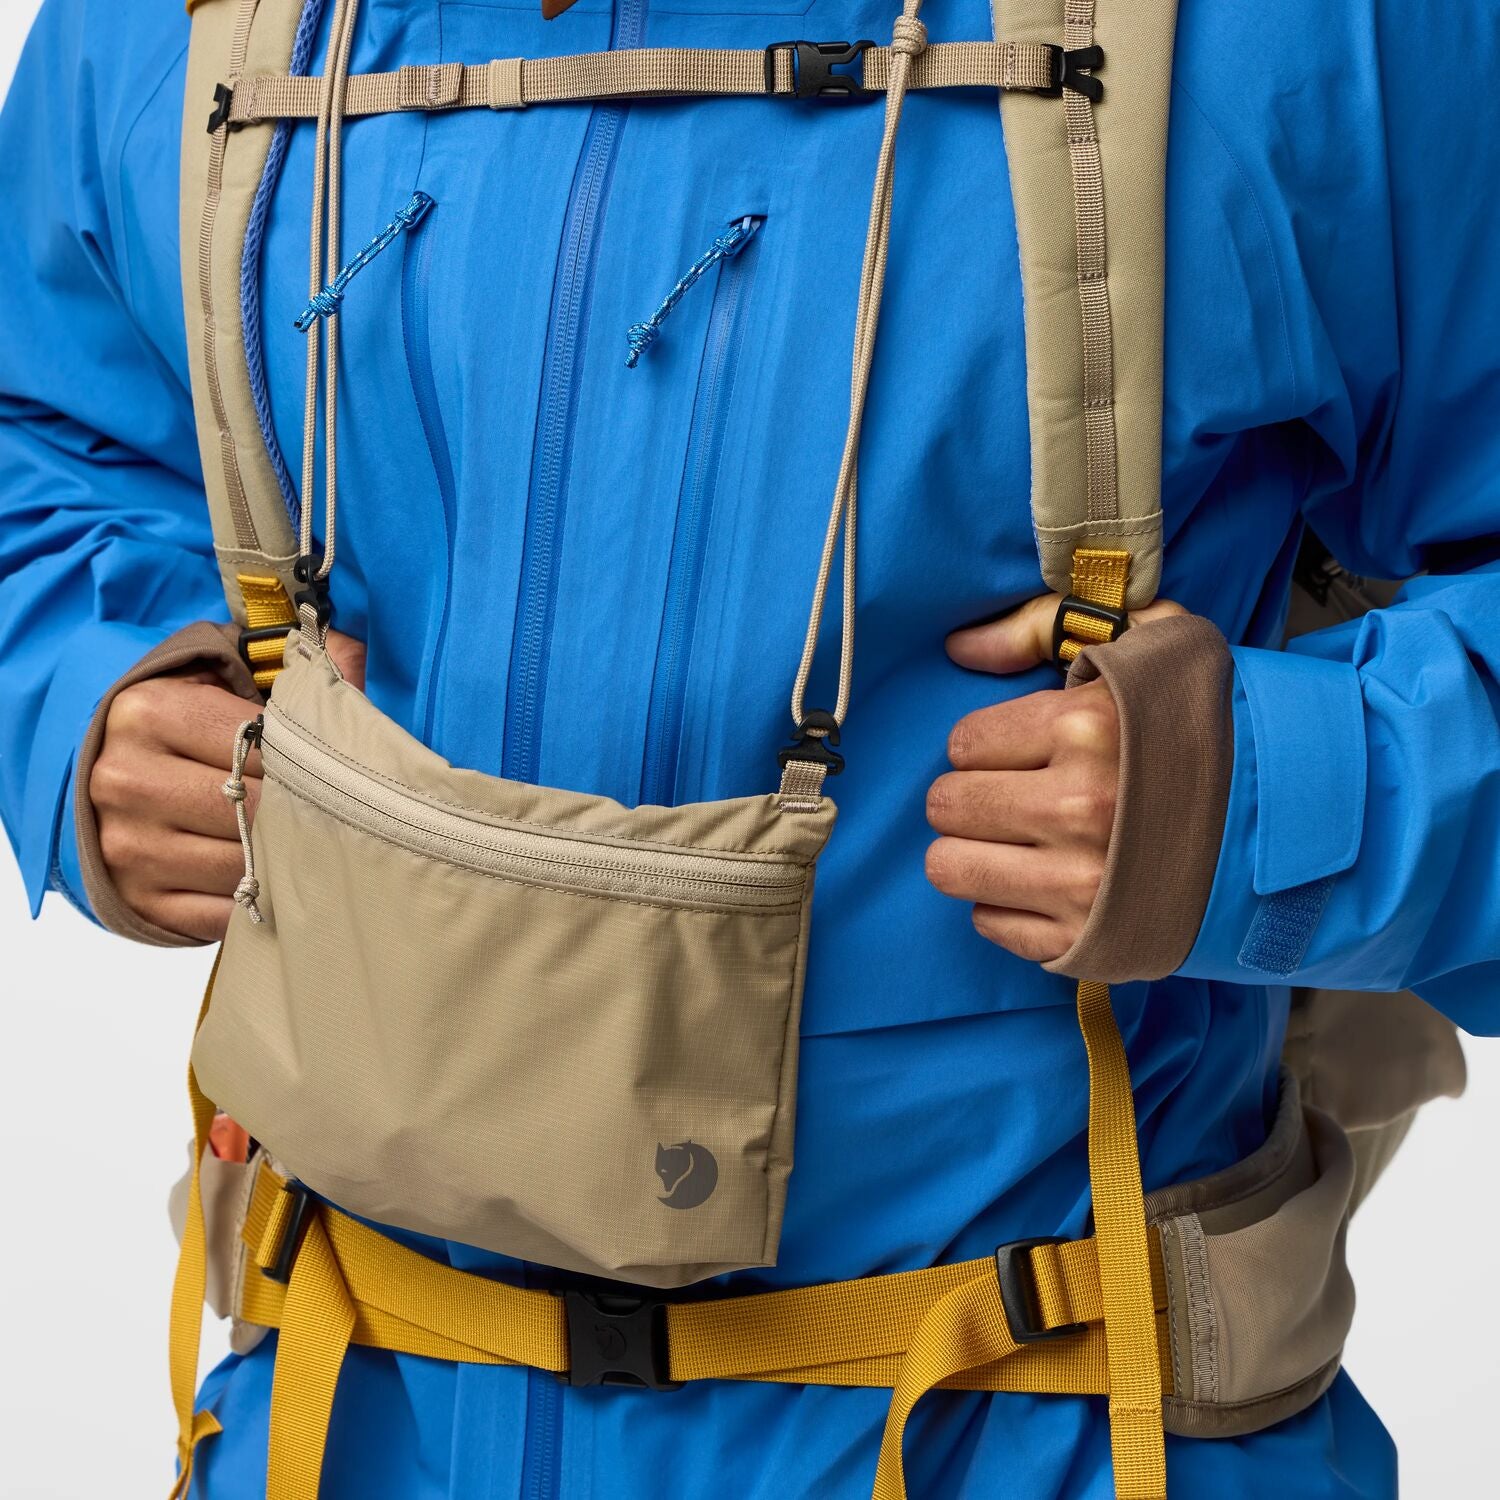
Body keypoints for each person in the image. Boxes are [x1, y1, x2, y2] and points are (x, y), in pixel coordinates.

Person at [0, 0, 1496, 1495]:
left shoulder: (1312, 34)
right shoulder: (183, 28)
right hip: (336, 1428)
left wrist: (1264, 798)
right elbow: (39, 448)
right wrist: (91, 694)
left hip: (1038, 1438)